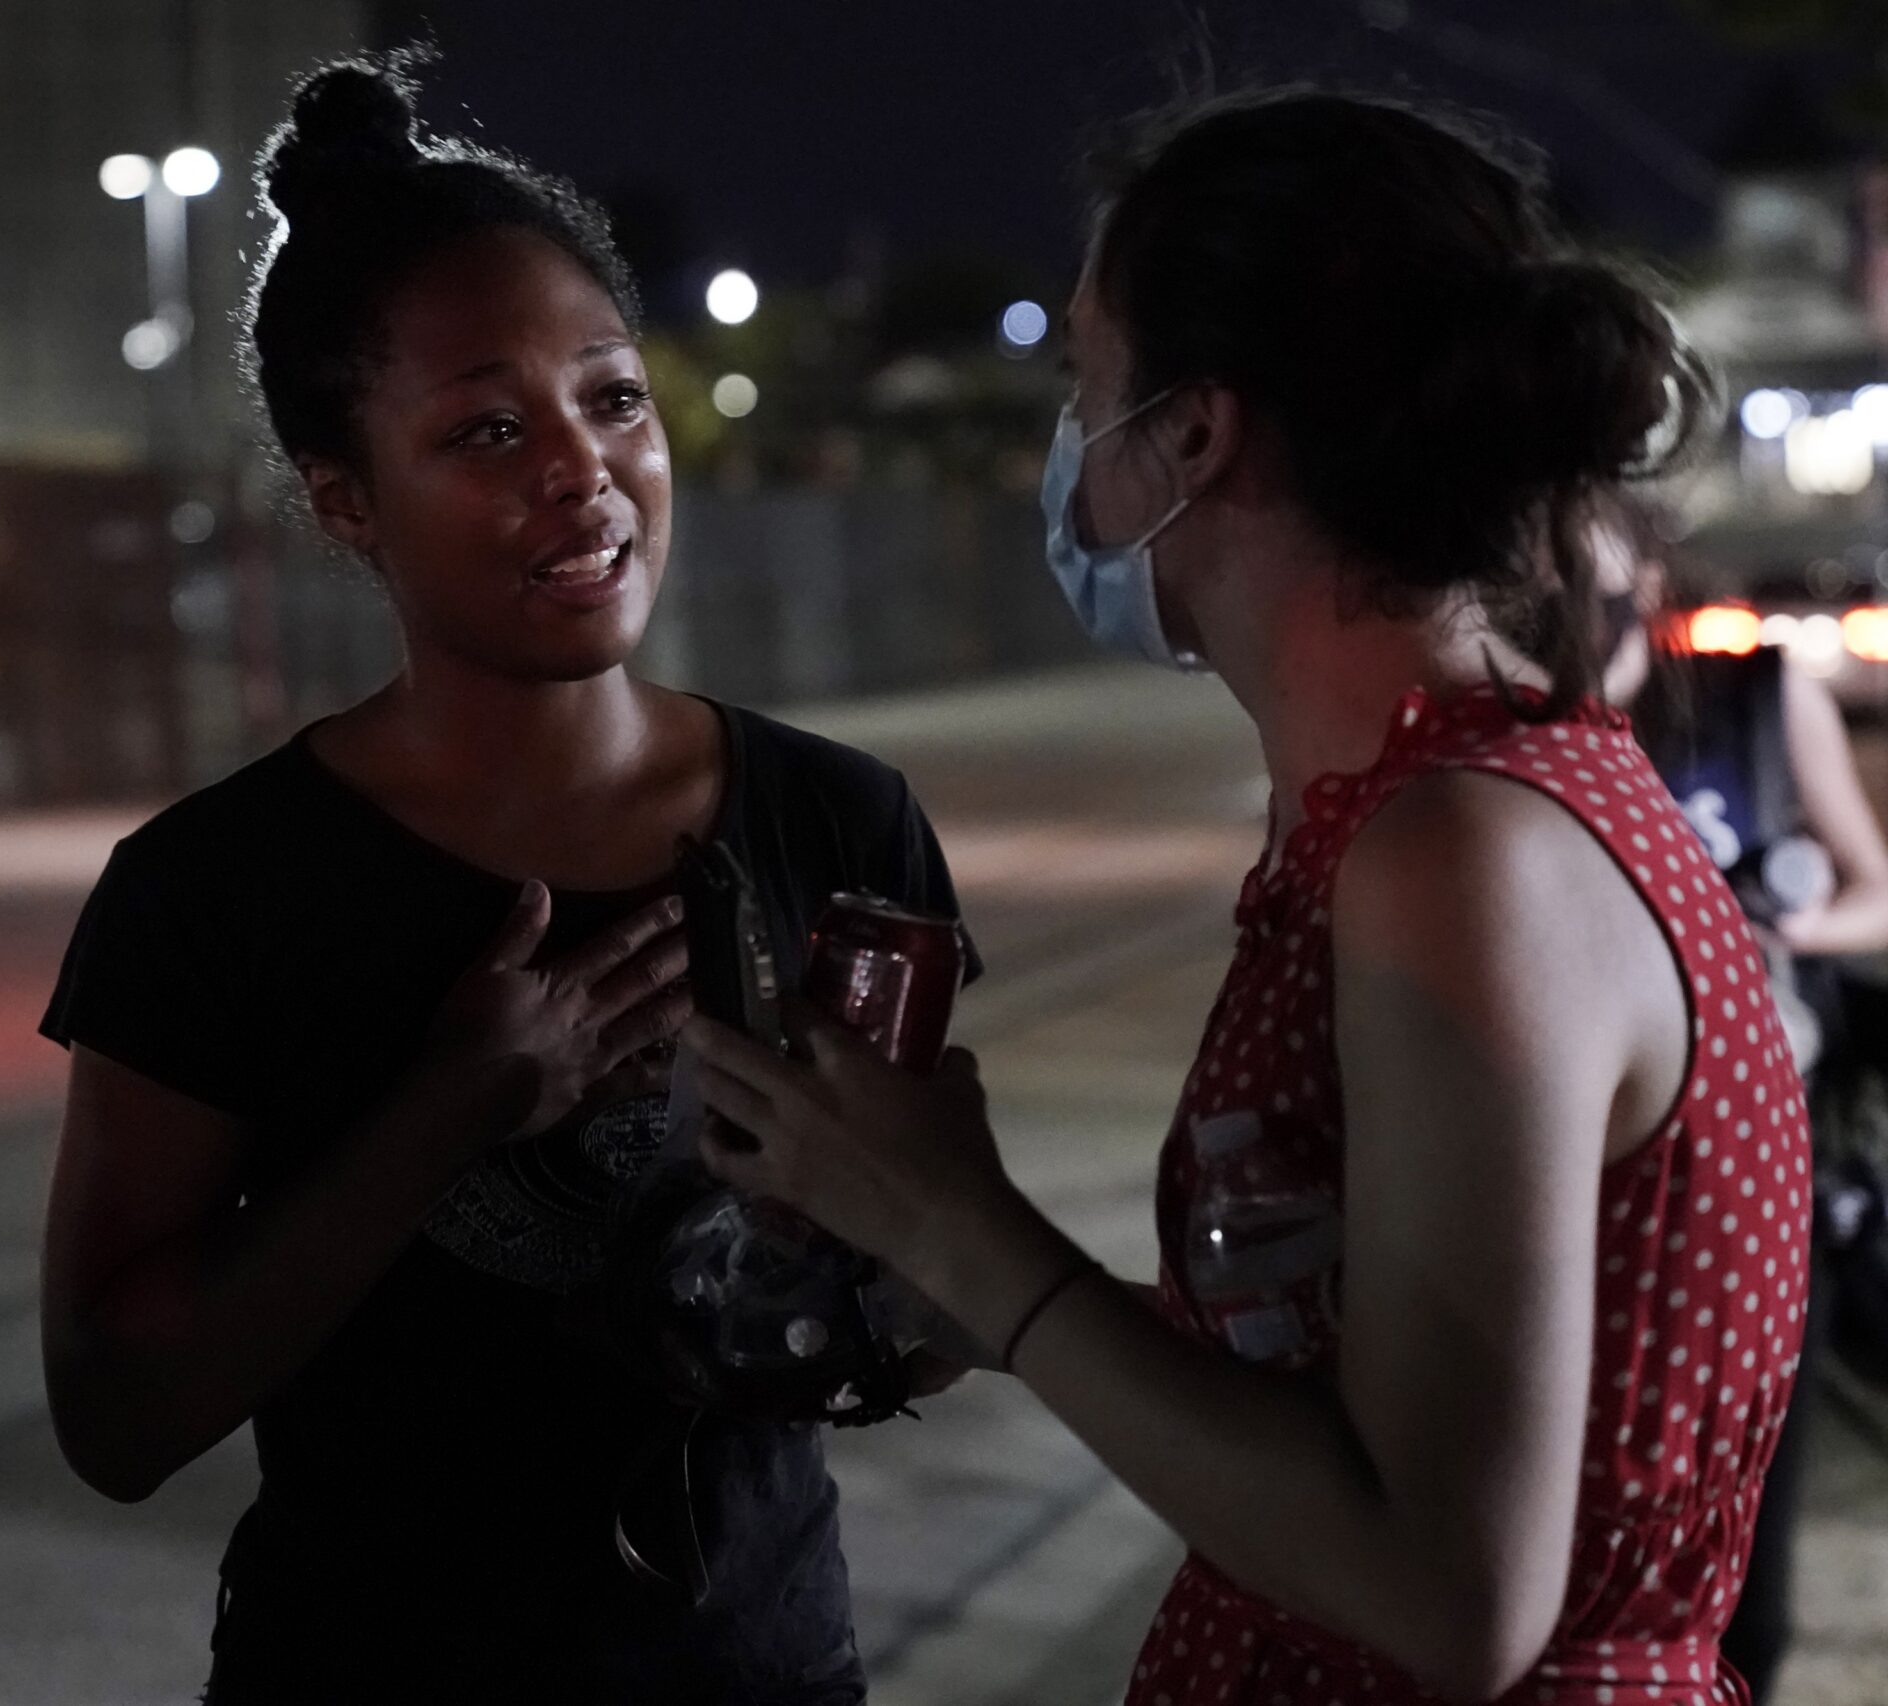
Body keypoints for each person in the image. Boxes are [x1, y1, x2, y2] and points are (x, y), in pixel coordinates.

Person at [683, 88, 1813, 1705]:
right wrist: (983, 1297)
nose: (1067, 451)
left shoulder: (1459, 856)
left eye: (1085, 385)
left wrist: (963, 1225)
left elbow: (1447, 1594)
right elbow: (1381, 1385)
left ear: (1198, 436)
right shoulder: (1427, 806)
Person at [37, 53, 973, 1706]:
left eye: (612, 399)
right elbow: (115, 1417)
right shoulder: (214, 888)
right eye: (487, 426)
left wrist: (891, 1244)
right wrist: (447, 1110)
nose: (582, 469)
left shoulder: (838, 821)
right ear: (346, 501)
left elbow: (932, 1330)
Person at [1591, 502, 1888, 1702]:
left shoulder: (1749, 694)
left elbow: (1875, 890)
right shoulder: (1510, 723)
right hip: (1586, 1183)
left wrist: (1762, 929)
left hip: (1752, 1174)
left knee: (1743, 1575)